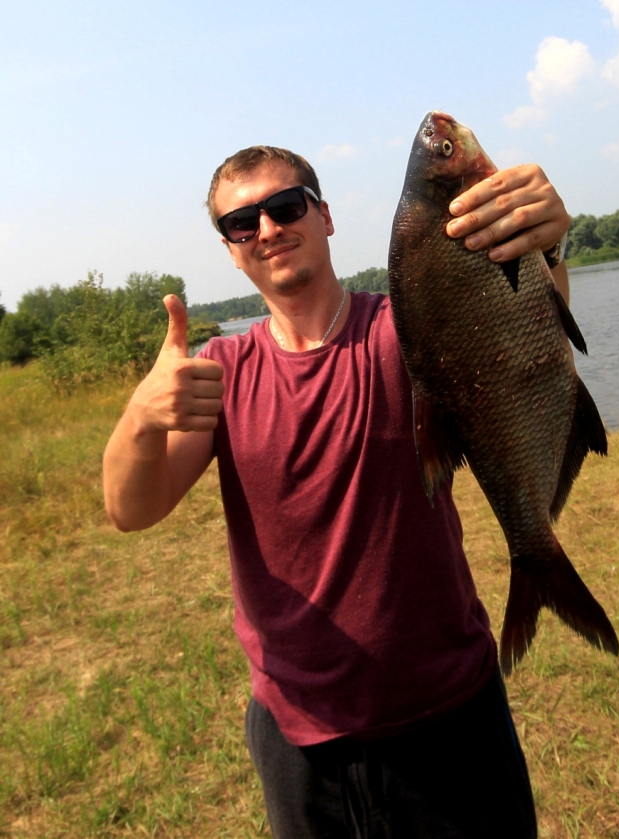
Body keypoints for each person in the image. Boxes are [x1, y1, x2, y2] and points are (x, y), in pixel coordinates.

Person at [103, 142, 571, 838]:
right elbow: (131, 508)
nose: (267, 229)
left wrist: (546, 249)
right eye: (241, 223)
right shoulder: (221, 370)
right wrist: (141, 418)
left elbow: (525, 349)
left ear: (324, 216)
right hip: (298, 739)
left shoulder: (407, 329)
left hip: (449, 714)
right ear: (230, 250)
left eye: (285, 206)